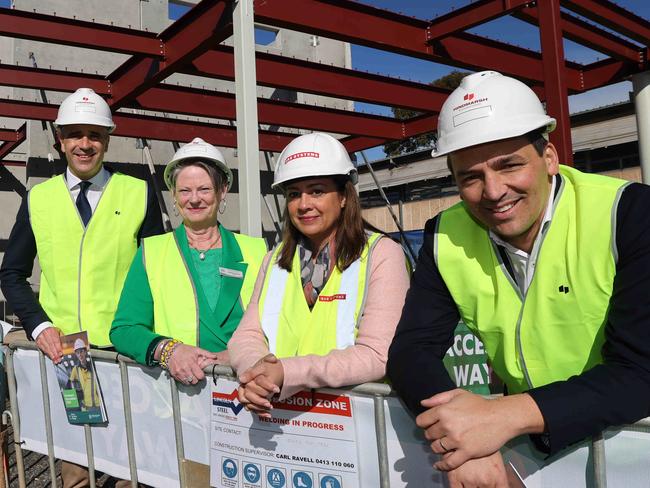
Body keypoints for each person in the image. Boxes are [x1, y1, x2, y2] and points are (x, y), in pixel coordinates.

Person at [387, 70, 650, 486]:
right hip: (539, 452)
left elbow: (641, 370)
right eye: (470, 177)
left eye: (509, 165)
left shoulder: (629, 213)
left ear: (549, 157)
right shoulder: (444, 236)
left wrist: (500, 417)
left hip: (634, 447)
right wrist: (463, 444)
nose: (492, 191)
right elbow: (410, 351)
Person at [0, 87, 163, 487]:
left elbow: (160, 273)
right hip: (72, 358)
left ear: (108, 139)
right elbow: (11, 273)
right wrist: (40, 326)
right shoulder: (40, 198)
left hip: (128, 356)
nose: (84, 144)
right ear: (61, 139)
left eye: (94, 134)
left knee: (134, 467)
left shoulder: (138, 192)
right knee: (78, 469)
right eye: (75, 134)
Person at [228, 132, 409, 412]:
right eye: (293, 194)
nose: (303, 204)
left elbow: (377, 354)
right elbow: (246, 336)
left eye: (317, 191)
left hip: (354, 422)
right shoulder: (274, 260)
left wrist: (288, 373)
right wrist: (259, 374)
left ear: (344, 197)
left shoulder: (381, 254)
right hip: (278, 417)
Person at [110, 137, 267, 385]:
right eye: (184, 190)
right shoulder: (152, 251)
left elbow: (278, 327)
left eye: (204, 189)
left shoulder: (257, 252)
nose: (194, 199)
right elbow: (125, 329)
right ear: (174, 195)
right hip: (175, 397)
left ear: (222, 190)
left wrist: (241, 355)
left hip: (245, 390)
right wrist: (169, 350)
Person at [69, 338, 101, 411]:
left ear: (85, 351)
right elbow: (70, 385)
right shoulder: (76, 369)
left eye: (81, 351)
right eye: (77, 352)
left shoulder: (93, 366)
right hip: (85, 405)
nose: (80, 354)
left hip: (98, 404)